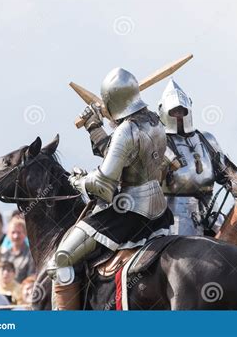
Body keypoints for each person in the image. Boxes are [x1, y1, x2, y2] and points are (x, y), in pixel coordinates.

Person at [47, 67, 173, 310]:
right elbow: (122, 155)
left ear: (112, 102)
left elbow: (104, 187)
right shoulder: (154, 121)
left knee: (60, 259)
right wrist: (95, 127)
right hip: (159, 211)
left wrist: (78, 180)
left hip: (130, 213)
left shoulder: (126, 130)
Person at [157, 79, 237, 236]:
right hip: (171, 220)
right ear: (164, 111)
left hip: (211, 214)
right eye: (174, 112)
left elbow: (230, 176)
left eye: (182, 111)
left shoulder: (206, 140)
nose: (179, 116)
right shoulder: (158, 143)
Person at [0, 218, 35, 283]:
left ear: (25, 234)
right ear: (8, 234)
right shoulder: (4, 254)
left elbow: (31, 278)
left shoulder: (31, 254)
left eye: (19, 232)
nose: (16, 236)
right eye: (13, 232)